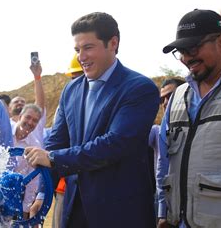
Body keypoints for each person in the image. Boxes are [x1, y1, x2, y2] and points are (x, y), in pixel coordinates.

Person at [24, 12, 159, 228]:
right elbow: (57, 143)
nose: (81, 57)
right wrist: (42, 193)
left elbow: (115, 144)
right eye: (77, 50)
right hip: (74, 213)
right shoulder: (71, 90)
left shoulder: (139, 89)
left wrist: (53, 158)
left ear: (113, 43)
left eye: (88, 47)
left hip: (120, 215)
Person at [157, 9, 221, 228]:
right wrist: (162, 211)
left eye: (194, 48)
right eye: (181, 51)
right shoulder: (178, 96)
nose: (187, 58)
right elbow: (164, 162)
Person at [51, 53, 84, 228]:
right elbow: (56, 142)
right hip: (66, 184)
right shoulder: (66, 102)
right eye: (73, 78)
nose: (77, 82)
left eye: (78, 77)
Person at [11, 61, 46, 218]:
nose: (30, 123)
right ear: (19, 117)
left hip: (19, 194)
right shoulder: (3, 133)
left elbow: (33, 181)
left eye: (35, 121)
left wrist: (25, 209)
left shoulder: (35, 145)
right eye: (28, 118)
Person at [148, 78, 185, 219]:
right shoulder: (157, 132)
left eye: (171, 96)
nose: (165, 103)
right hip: (164, 205)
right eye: (162, 99)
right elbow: (133, 137)